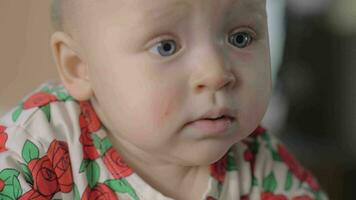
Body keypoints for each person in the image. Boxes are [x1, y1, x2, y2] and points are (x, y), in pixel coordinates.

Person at [0, 0, 329, 199]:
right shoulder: (31, 150)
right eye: (166, 47)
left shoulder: (261, 164)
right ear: (80, 67)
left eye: (240, 37)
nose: (215, 73)